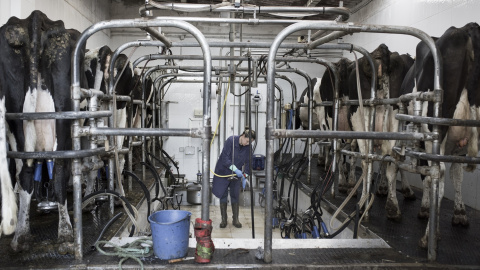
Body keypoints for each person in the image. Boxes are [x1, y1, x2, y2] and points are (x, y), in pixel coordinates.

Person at [212, 128, 256, 228]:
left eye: (251, 142)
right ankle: (224, 220)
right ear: (243, 135)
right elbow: (225, 158)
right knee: (223, 194)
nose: (248, 144)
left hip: (237, 174)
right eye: (247, 141)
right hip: (223, 171)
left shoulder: (248, 147)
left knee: (235, 195)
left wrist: (246, 175)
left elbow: (249, 162)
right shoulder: (230, 141)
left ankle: (235, 219)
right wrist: (235, 169)